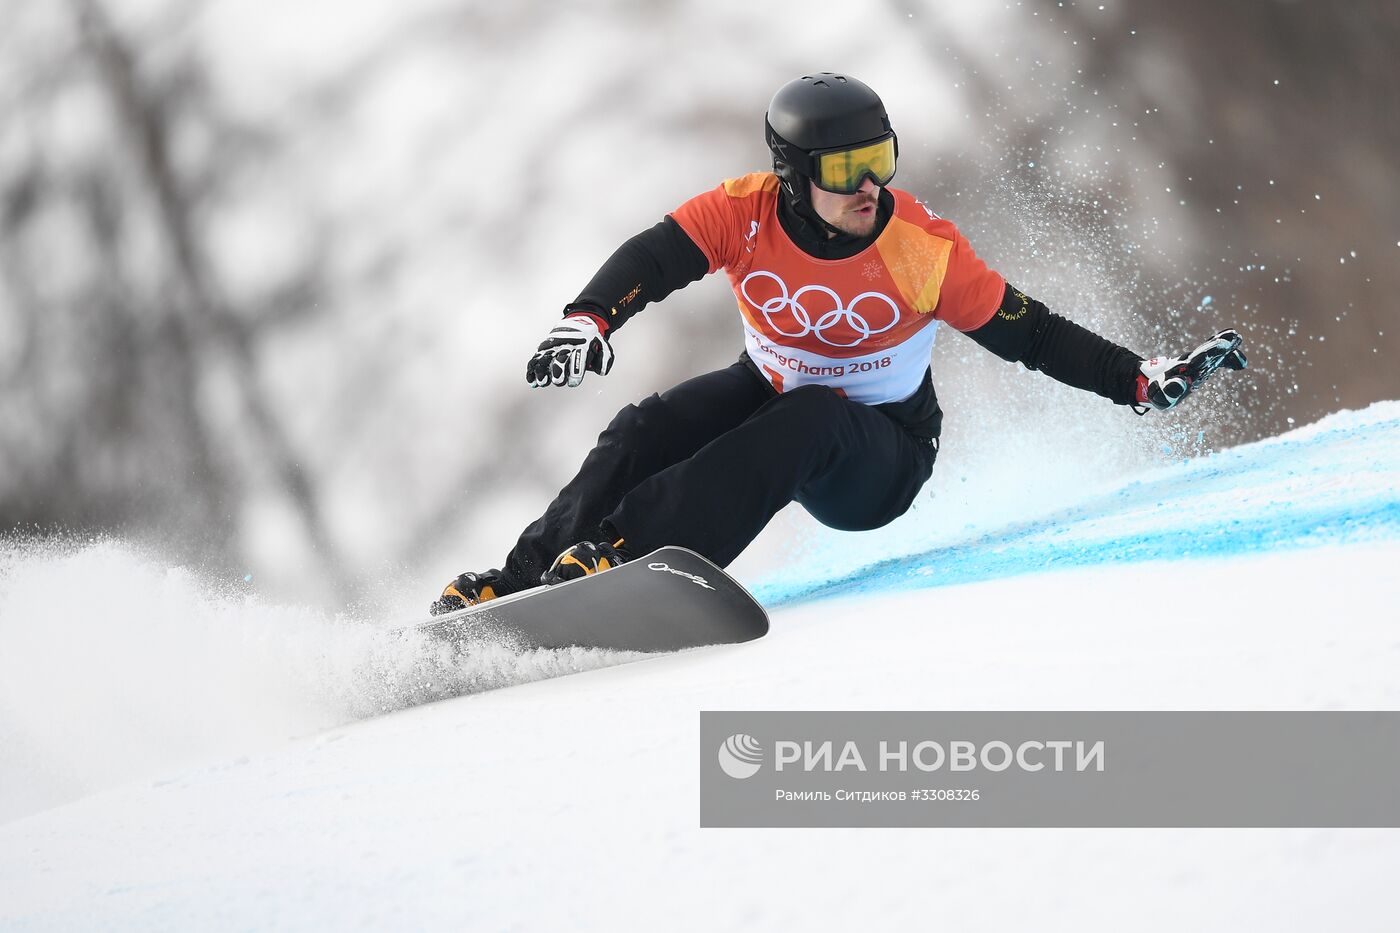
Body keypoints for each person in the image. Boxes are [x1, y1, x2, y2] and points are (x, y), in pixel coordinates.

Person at [430, 72, 1246, 613]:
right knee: (642, 427)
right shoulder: (742, 213)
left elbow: (1032, 335)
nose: (870, 187)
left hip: (881, 458)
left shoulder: (919, 251)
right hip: (774, 395)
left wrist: (1138, 380)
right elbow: (654, 256)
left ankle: (619, 558)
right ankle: (518, 584)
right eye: (847, 167)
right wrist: (590, 317)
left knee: (812, 415)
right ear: (792, 174)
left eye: (881, 160)